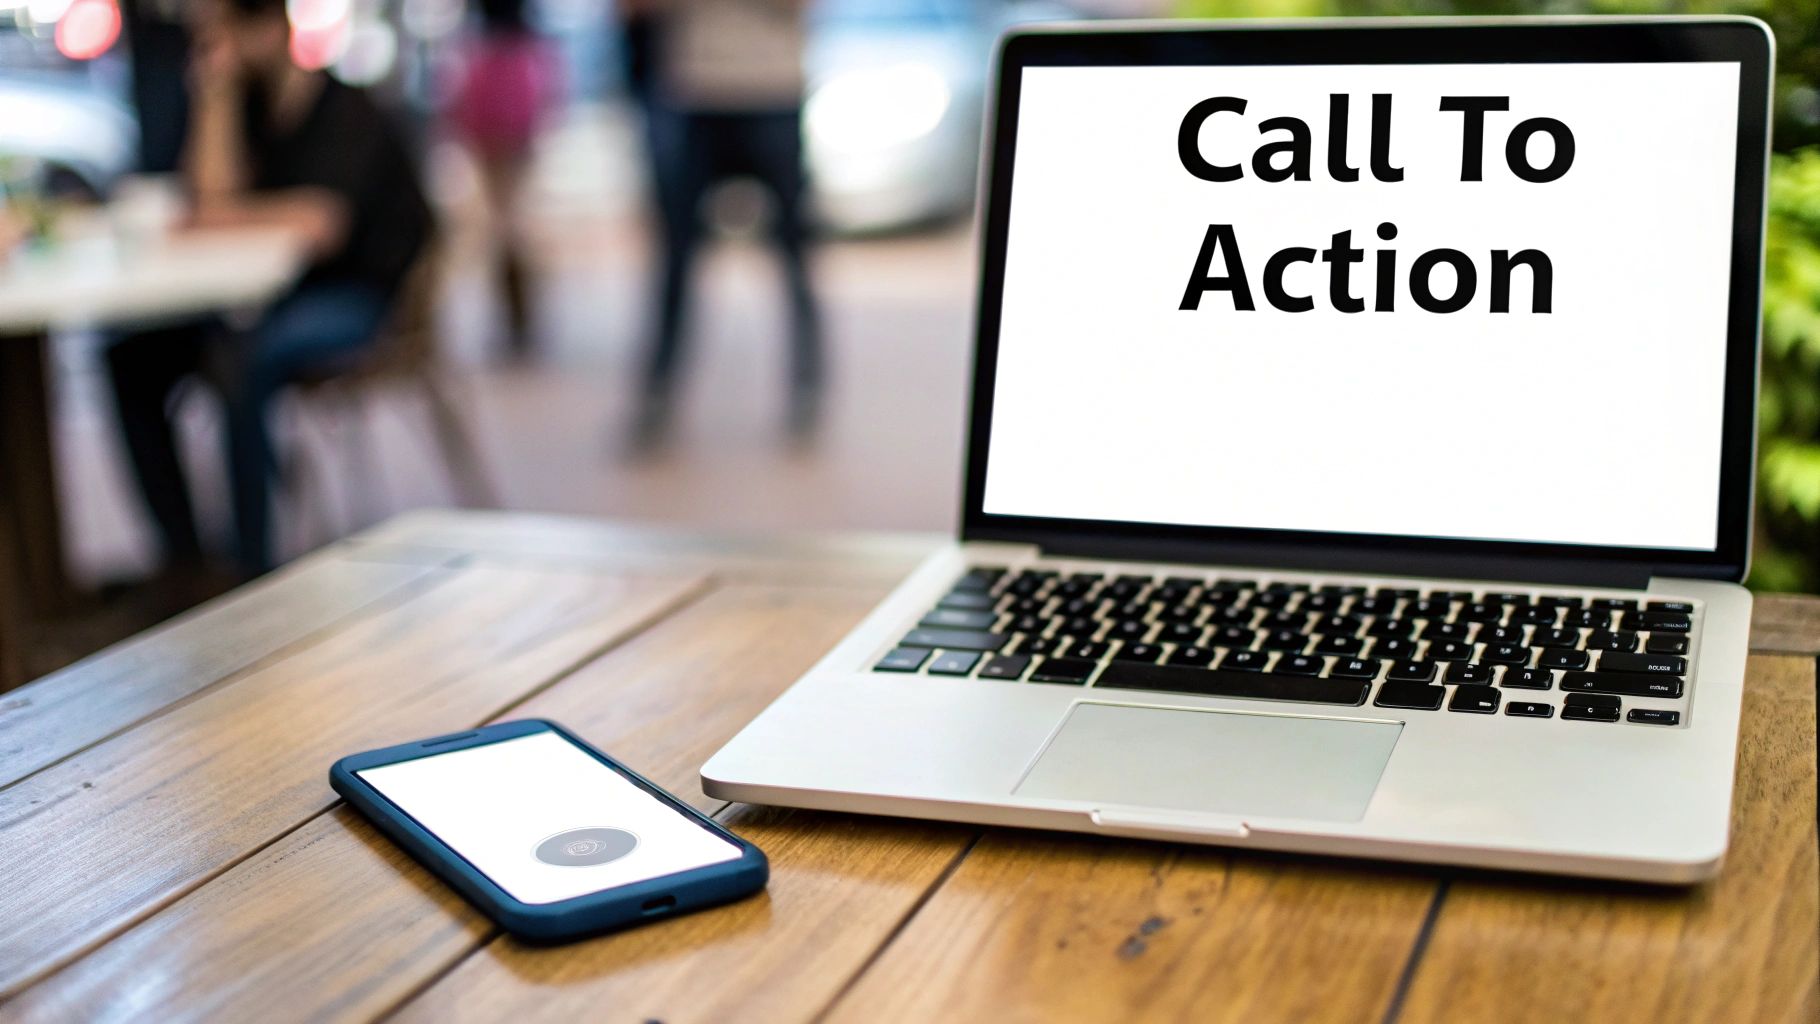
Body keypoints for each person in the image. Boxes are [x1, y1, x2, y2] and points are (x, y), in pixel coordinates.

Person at [106, 0, 432, 579]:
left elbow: (320, 225)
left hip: (359, 298)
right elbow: (208, 200)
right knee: (131, 358)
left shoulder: (345, 108)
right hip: (272, 297)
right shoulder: (248, 112)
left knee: (245, 360)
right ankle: (186, 561)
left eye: (227, 33)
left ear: (270, 28)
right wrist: (215, 100)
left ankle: (249, 567)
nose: (217, 50)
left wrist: (228, 218)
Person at [624, 0, 823, 450]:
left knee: (796, 258)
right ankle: (657, 397)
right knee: (675, 261)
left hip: (773, 90)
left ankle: (808, 390)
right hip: (694, 93)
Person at [446, 0, 558, 358]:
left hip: (506, 148)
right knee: (505, 234)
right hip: (497, 148)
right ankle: (517, 321)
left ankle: (521, 321)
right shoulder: (514, 48)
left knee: (509, 233)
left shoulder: (495, 49)